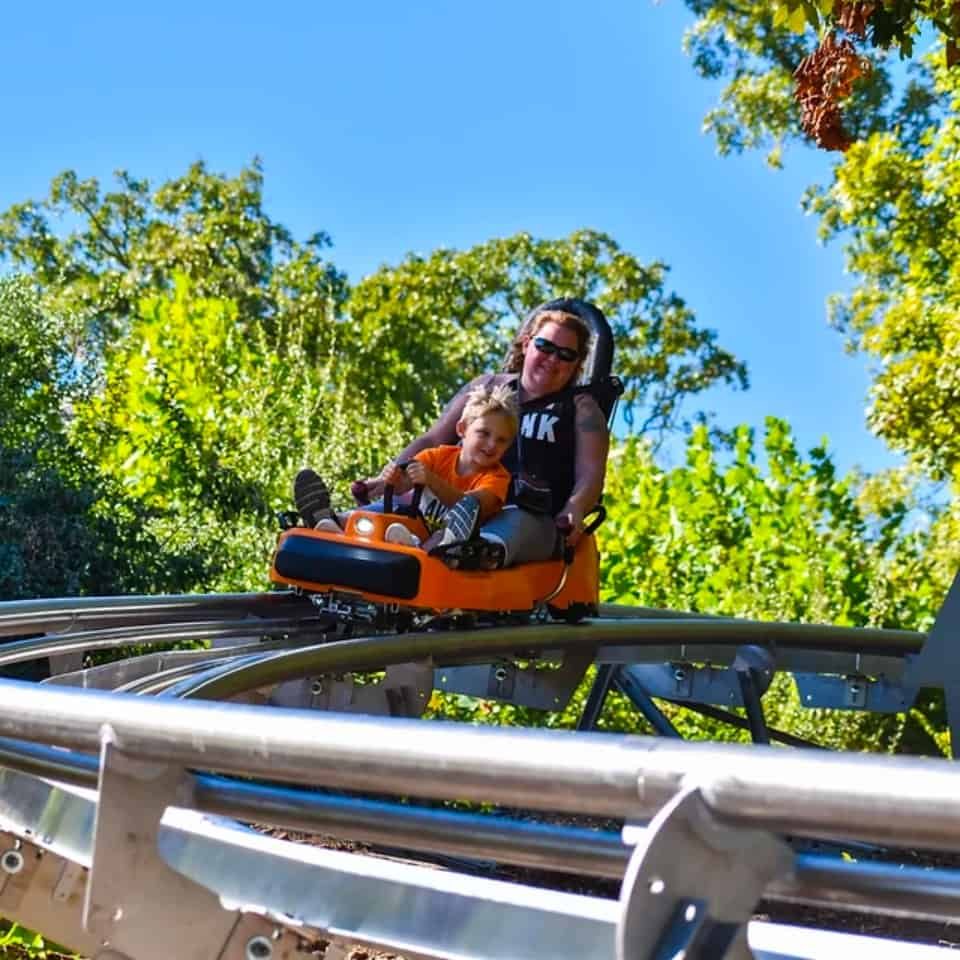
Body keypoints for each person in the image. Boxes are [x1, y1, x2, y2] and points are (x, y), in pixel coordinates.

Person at [363, 299, 611, 568]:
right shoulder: (487, 387)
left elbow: (591, 475)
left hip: (528, 515)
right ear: (527, 344)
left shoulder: (582, 409)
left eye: (565, 355)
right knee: (398, 508)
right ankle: (339, 524)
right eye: (545, 346)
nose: (553, 359)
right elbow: (432, 440)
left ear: (576, 364)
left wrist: (574, 508)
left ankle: (468, 551)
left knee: (514, 522)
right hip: (455, 502)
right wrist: (389, 475)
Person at [294, 383, 519, 552]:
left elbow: (470, 508)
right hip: (415, 525)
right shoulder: (439, 456)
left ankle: (414, 552)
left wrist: (432, 480)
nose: (491, 445)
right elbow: (404, 484)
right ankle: (330, 524)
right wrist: (390, 481)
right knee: (383, 517)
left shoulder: (498, 478)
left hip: (456, 540)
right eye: (484, 433)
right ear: (462, 430)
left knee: (442, 537)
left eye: (502, 440)